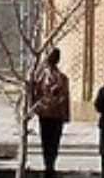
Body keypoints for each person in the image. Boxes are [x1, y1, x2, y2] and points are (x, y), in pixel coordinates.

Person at [33, 48, 71, 178]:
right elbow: (35, 93)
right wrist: (35, 108)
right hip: (45, 114)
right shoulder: (41, 76)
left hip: (57, 115)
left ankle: (51, 165)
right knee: (46, 140)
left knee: (54, 141)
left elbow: (65, 96)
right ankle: (47, 165)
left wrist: (66, 115)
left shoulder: (62, 77)